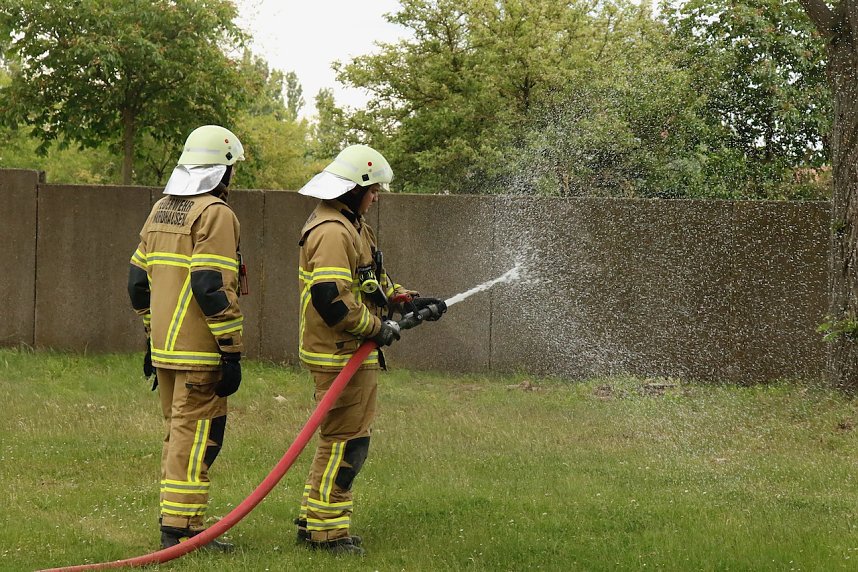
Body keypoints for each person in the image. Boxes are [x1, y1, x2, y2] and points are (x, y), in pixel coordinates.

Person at [294, 144, 445, 555]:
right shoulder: (332, 231)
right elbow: (332, 299)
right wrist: (376, 328)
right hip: (339, 351)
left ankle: (314, 520)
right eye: (373, 189)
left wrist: (405, 301)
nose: (376, 197)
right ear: (354, 188)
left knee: (337, 437)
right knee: (349, 442)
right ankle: (328, 534)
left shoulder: (353, 225)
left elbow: (370, 280)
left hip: (348, 348)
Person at [127, 125, 247, 551]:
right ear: (223, 170)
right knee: (197, 439)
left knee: (180, 436)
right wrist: (231, 351)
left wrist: (151, 335)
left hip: (166, 350)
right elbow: (211, 286)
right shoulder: (216, 213)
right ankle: (180, 531)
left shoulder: (160, 210)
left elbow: (137, 283)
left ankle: (182, 522)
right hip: (200, 352)